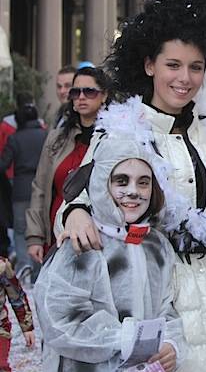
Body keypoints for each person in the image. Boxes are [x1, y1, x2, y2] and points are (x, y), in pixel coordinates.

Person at [56, 0, 206, 371]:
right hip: (151, 294)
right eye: (173, 65)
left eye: (195, 67)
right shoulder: (121, 128)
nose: (184, 78)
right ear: (149, 65)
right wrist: (75, 212)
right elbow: (82, 189)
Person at [34, 131, 184, 372]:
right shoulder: (82, 244)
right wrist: (125, 339)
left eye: (143, 182)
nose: (133, 192)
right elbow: (59, 320)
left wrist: (170, 344)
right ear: (102, 182)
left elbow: (167, 308)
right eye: (121, 181)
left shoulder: (157, 246)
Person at [25, 67, 109, 266]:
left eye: (89, 91)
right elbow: (40, 187)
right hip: (56, 236)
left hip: (98, 239)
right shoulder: (57, 138)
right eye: (75, 92)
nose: (81, 97)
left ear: (104, 95)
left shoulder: (114, 139)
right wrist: (35, 237)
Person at [0, 100, 46, 282]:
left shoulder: (15, 138)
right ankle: (38, 270)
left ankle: (23, 264)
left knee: (20, 230)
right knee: (39, 230)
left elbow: (4, 164)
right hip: (42, 188)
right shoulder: (46, 136)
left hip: (20, 188)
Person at [0, 256, 34, 372]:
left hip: (0, 329)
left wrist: (27, 327)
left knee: (1, 365)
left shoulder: (2, 266)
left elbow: (17, 297)